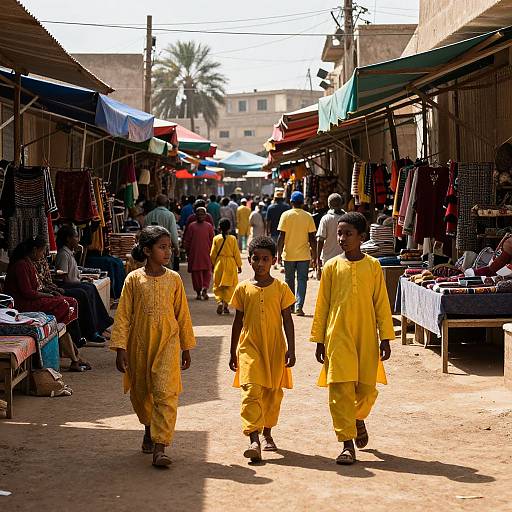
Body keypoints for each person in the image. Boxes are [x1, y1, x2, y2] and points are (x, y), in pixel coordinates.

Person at [310, 212, 394, 465]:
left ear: (362, 237)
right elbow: (322, 304)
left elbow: (381, 303)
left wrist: (386, 337)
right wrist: (319, 339)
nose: (342, 238)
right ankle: (347, 444)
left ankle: (357, 418)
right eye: (339, 233)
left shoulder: (373, 266)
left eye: (348, 233)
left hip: (367, 335)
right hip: (337, 335)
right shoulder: (331, 266)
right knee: (340, 390)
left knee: (367, 390)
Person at [110, 226, 196, 467]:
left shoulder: (174, 279)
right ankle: (148, 427)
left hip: (168, 343)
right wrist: (120, 348)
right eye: (162, 247)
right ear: (147, 250)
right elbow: (124, 315)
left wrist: (186, 347)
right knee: (142, 392)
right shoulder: (133, 279)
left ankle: (161, 446)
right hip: (139, 344)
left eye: (169, 246)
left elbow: (183, 315)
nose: (168, 251)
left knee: (165, 393)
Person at [229, 236, 296, 462]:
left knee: (272, 394)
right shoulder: (242, 288)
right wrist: (232, 351)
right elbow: (238, 321)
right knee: (250, 391)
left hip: (276, 348)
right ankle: (253, 439)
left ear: (273, 260)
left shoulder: (281, 288)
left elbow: (287, 319)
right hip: (249, 347)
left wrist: (292, 349)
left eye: (265, 259)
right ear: (249, 260)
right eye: (255, 259)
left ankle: (267, 432)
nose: (260, 263)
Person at [5, 236, 88, 372]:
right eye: (42, 251)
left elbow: (39, 286)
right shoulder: (21, 265)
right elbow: (28, 293)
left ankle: (75, 354)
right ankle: (75, 356)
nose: (43, 255)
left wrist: (52, 291)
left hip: (31, 300)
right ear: (34, 250)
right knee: (65, 304)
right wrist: (49, 295)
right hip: (22, 304)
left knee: (70, 301)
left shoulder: (29, 263)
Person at [55, 225, 114, 346]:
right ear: (68, 239)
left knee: (91, 287)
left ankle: (100, 326)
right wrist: (79, 282)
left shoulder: (69, 253)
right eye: (75, 236)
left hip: (72, 283)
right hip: (66, 286)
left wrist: (82, 278)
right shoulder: (63, 254)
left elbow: (73, 274)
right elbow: (64, 278)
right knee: (83, 292)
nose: (78, 239)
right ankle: (91, 331)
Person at [277, 191, 317, 316]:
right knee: (302, 281)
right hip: (304, 256)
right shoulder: (308, 216)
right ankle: (299, 306)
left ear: (291, 202)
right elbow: (312, 238)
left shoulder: (285, 215)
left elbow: (281, 237)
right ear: (303, 203)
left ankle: (290, 306)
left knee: (289, 280)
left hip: (288, 255)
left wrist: (278, 254)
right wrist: (314, 256)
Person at [210, 218, 242, 315]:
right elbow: (236, 253)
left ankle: (219, 301)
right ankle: (226, 305)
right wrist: (239, 265)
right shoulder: (232, 239)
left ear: (219, 227)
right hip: (230, 264)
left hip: (219, 264)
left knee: (218, 285)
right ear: (229, 228)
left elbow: (212, 254)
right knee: (229, 286)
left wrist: (214, 264)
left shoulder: (216, 238)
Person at [183, 207, 215, 300]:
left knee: (207, 273)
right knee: (196, 274)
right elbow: (187, 241)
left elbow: (213, 240)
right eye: (198, 214)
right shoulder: (192, 226)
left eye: (202, 214)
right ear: (195, 215)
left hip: (207, 253)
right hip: (195, 254)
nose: (200, 216)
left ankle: (204, 288)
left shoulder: (209, 226)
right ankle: (198, 291)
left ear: (205, 215)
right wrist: (187, 251)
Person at [316, 193, 346, 278]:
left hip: (328, 259)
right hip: (344, 258)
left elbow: (320, 240)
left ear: (329, 205)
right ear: (341, 204)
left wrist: (318, 260)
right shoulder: (347, 217)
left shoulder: (326, 219)